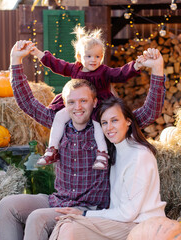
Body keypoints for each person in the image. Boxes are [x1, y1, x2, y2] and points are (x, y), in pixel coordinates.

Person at [0, 40, 165, 240]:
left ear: (95, 102)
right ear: (64, 104)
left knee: (37, 218)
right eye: (72, 102)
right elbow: (27, 103)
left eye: (84, 101)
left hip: (88, 207)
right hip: (59, 200)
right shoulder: (59, 124)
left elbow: (148, 112)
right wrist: (15, 61)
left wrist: (157, 71)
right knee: (7, 205)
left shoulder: (106, 129)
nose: (78, 107)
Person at [49, 96, 166, 240]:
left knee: (70, 226)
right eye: (104, 123)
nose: (109, 127)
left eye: (114, 120)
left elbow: (128, 213)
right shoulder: (115, 152)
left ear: (128, 121)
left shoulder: (139, 155)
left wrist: (85, 214)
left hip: (142, 225)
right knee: (67, 223)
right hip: (121, 221)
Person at [30, 26, 142, 170]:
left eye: (97, 56)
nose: (93, 60)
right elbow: (57, 65)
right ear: (79, 57)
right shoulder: (74, 69)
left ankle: (102, 154)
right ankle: (52, 149)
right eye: (88, 56)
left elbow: (120, 73)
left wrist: (135, 66)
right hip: (78, 104)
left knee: (97, 123)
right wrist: (39, 53)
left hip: (99, 104)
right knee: (59, 116)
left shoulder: (104, 71)